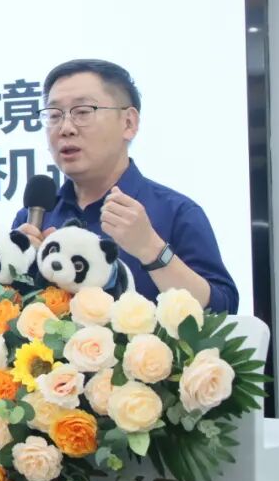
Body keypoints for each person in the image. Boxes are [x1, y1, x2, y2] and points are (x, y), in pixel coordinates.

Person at [12, 59, 239, 313]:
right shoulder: (35, 217)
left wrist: (151, 249)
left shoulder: (176, 212)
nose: (65, 128)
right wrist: (17, 270)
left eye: (83, 112)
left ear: (129, 123)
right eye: (54, 115)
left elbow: (223, 310)